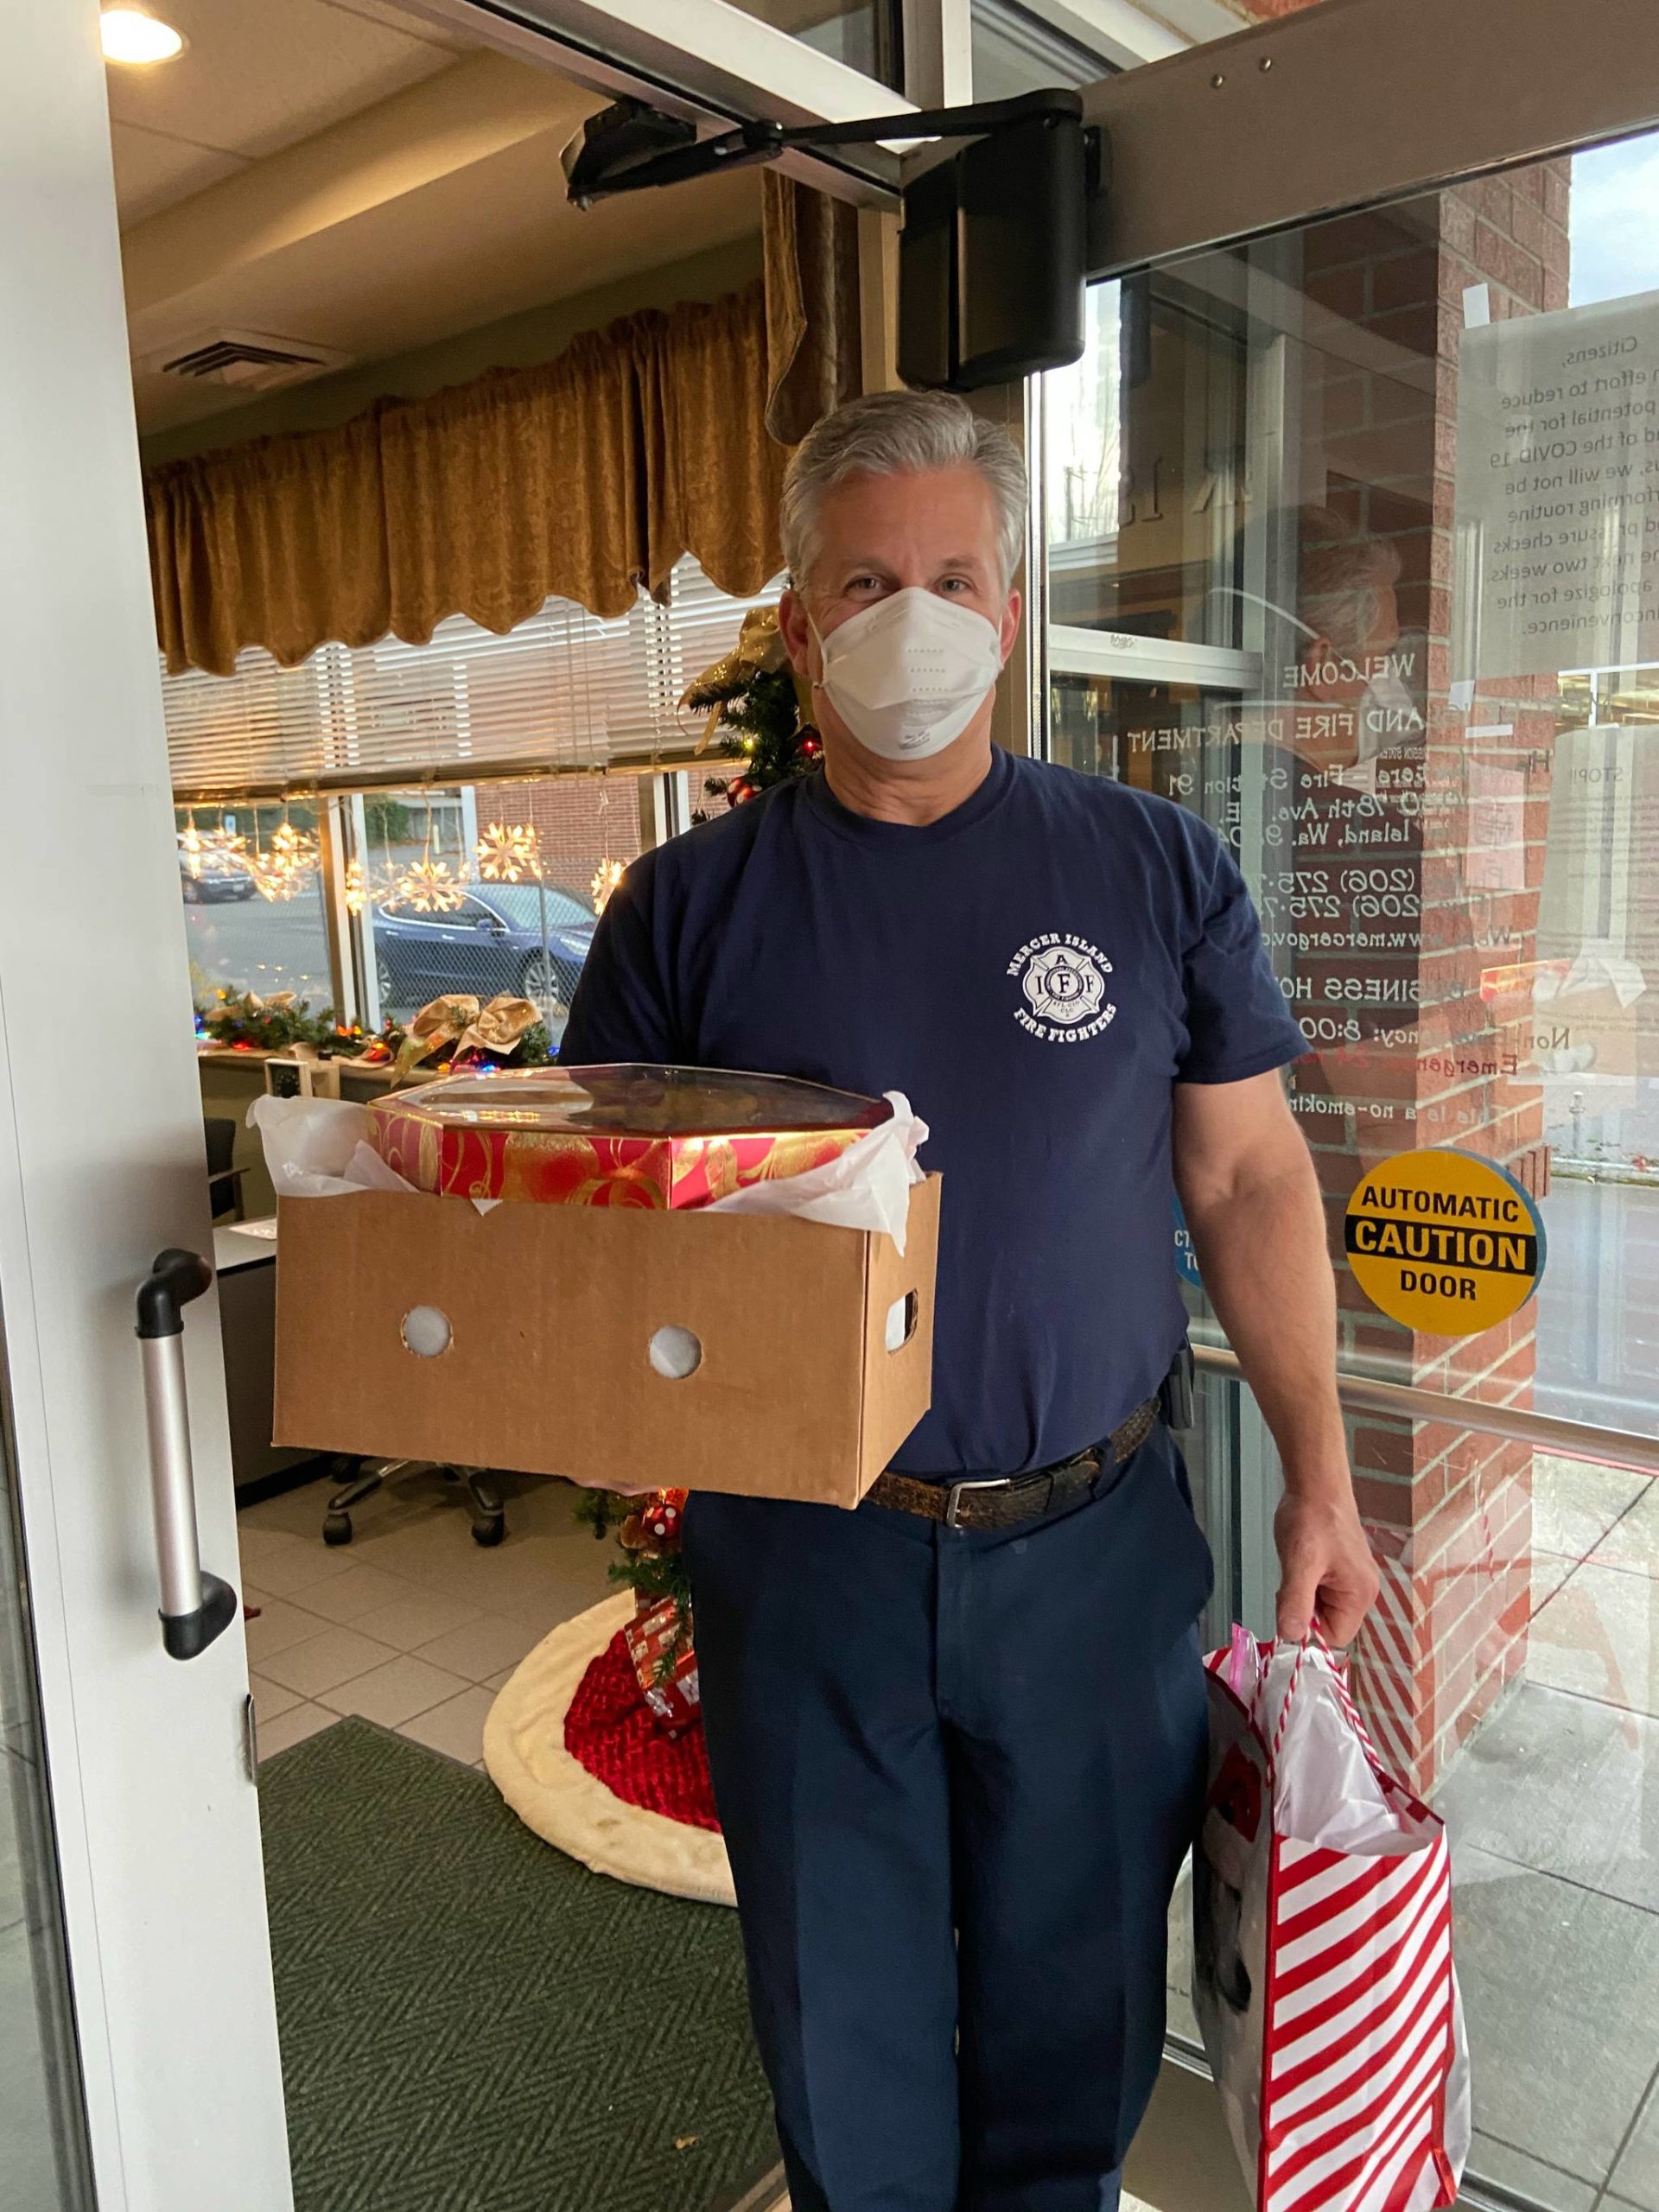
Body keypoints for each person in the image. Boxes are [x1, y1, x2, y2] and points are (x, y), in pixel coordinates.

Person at [560, 390, 1379, 2212]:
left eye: (951, 574)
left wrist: (1321, 1474)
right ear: (798, 623)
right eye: (865, 577)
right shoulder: (684, 915)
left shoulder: (1153, 870)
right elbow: (601, 1231)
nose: (909, 616)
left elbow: (1247, 1177)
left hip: (1091, 1554)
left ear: (1011, 609)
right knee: (840, 2035)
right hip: (808, 1556)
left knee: (1071, 2029)